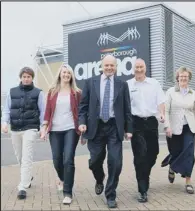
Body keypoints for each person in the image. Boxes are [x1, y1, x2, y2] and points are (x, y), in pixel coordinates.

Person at [78, 55, 133, 209]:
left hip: (115, 127)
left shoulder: (122, 84)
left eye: (112, 65)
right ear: (101, 66)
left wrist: (129, 129)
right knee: (95, 160)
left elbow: (127, 108)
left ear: (116, 67)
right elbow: (82, 107)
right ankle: (99, 178)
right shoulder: (90, 83)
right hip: (95, 127)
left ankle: (110, 195)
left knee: (115, 162)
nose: (109, 68)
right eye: (106, 65)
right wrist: (82, 123)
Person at [1, 67, 45, 199]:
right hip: (15, 129)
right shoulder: (12, 92)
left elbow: (43, 112)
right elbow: (7, 110)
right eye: (24, 76)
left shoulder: (38, 93)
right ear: (20, 77)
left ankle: (22, 186)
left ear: (32, 78)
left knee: (27, 157)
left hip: (31, 128)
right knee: (19, 156)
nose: (26, 79)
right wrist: (4, 123)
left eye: (29, 77)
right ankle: (28, 176)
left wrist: (43, 128)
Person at [40, 64, 81, 205]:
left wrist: (83, 130)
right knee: (57, 159)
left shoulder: (76, 92)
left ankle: (67, 192)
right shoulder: (52, 92)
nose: (66, 75)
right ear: (60, 74)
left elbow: (81, 113)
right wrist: (44, 127)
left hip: (71, 128)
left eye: (68, 73)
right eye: (64, 72)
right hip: (55, 130)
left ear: (71, 76)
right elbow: (47, 112)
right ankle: (63, 179)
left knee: (68, 158)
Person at [127, 58, 165, 203]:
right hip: (136, 122)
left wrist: (161, 113)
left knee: (153, 153)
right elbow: (125, 106)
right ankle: (142, 189)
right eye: (136, 67)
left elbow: (160, 101)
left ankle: (145, 174)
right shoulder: (128, 85)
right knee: (140, 156)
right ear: (133, 69)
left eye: (141, 67)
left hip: (151, 122)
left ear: (145, 68)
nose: (139, 69)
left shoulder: (154, 83)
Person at [162, 66, 195, 194]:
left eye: (186, 76)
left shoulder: (193, 93)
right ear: (177, 78)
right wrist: (167, 126)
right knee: (176, 152)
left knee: (189, 153)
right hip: (174, 128)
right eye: (181, 76)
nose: (183, 78)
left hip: (189, 128)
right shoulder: (170, 92)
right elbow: (166, 111)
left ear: (189, 78)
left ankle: (188, 181)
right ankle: (172, 167)